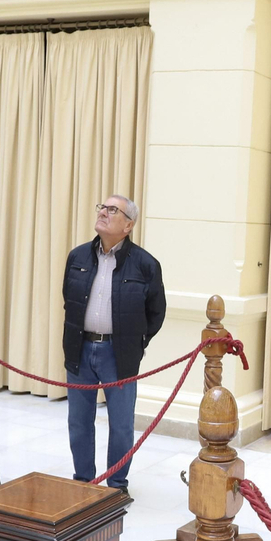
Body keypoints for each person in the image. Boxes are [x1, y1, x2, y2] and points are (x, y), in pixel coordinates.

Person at [63, 195, 166, 494]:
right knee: (79, 422)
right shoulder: (78, 256)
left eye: (112, 210)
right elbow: (67, 298)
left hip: (118, 355)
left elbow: (156, 312)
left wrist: (136, 342)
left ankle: (116, 485)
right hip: (80, 349)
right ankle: (84, 482)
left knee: (120, 426)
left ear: (128, 225)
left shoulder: (145, 264)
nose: (104, 213)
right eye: (102, 208)